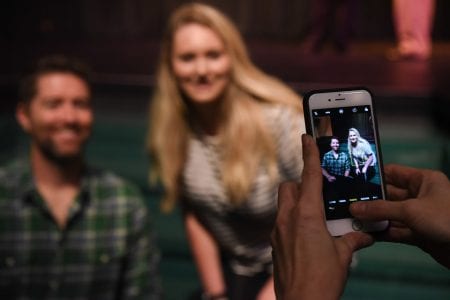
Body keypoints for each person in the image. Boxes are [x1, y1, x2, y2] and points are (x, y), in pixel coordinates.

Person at [147, 3, 304, 299]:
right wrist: (215, 293)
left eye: (213, 55)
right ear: (170, 65)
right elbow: (194, 210)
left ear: (232, 58)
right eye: (188, 58)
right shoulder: (173, 128)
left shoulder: (279, 122)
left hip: (298, 267)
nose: (202, 70)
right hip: (234, 272)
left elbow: (327, 221)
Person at [0, 55, 161, 299]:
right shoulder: (4, 195)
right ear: (24, 116)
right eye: (53, 104)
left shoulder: (124, 204)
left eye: (80, 104)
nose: (70, 117)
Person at [271, 134, 450, 299]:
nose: (350, 139)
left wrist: (304, 291)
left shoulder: (360, 146)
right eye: (348, 137)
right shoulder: (339, 152)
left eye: (353, 136)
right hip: (336, 183)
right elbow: (328, 169)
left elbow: (364, 160)